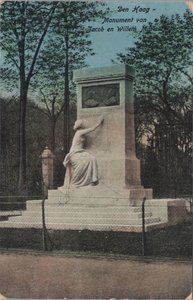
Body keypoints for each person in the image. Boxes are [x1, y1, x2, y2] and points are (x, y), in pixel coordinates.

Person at [62, 116, 104, 188]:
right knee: (82, 165)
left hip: (80, 152)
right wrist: (99, 122)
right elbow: (92, 129)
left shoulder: (79, 133)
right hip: (75, 154)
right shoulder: (79, 132)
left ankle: (93, 179)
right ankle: (75, 182)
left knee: (92, 159)